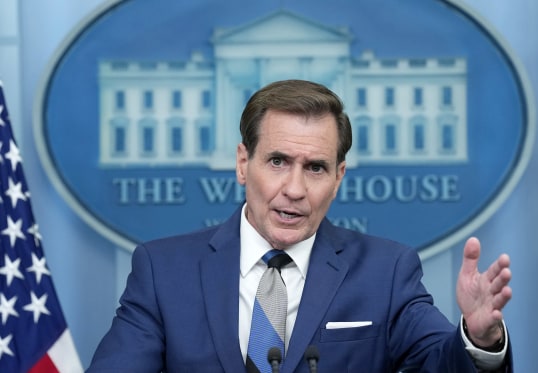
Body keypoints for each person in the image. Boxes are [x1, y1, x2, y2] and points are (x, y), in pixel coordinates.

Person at [86, 79, 512, 372]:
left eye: (315, 168)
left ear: (338, 177)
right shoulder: (164, 270)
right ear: (242, 163)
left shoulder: (386, 271)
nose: (294, 188)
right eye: (277, 162)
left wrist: (478, 338)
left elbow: (440, 362)